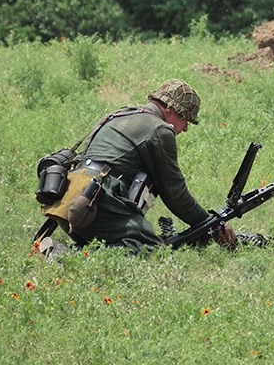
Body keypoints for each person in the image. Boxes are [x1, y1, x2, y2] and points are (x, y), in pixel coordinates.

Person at [52, 79, 236, 253]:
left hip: (67, 204)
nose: (186, 128)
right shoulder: (160, 130)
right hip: (95, 205)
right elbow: (176, 195)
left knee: (127, 241)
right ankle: (65, 254)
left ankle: (77, 248)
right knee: (150, 250)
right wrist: (212, 225)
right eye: (186, 119)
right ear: (172, 109)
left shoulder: (121, 113)